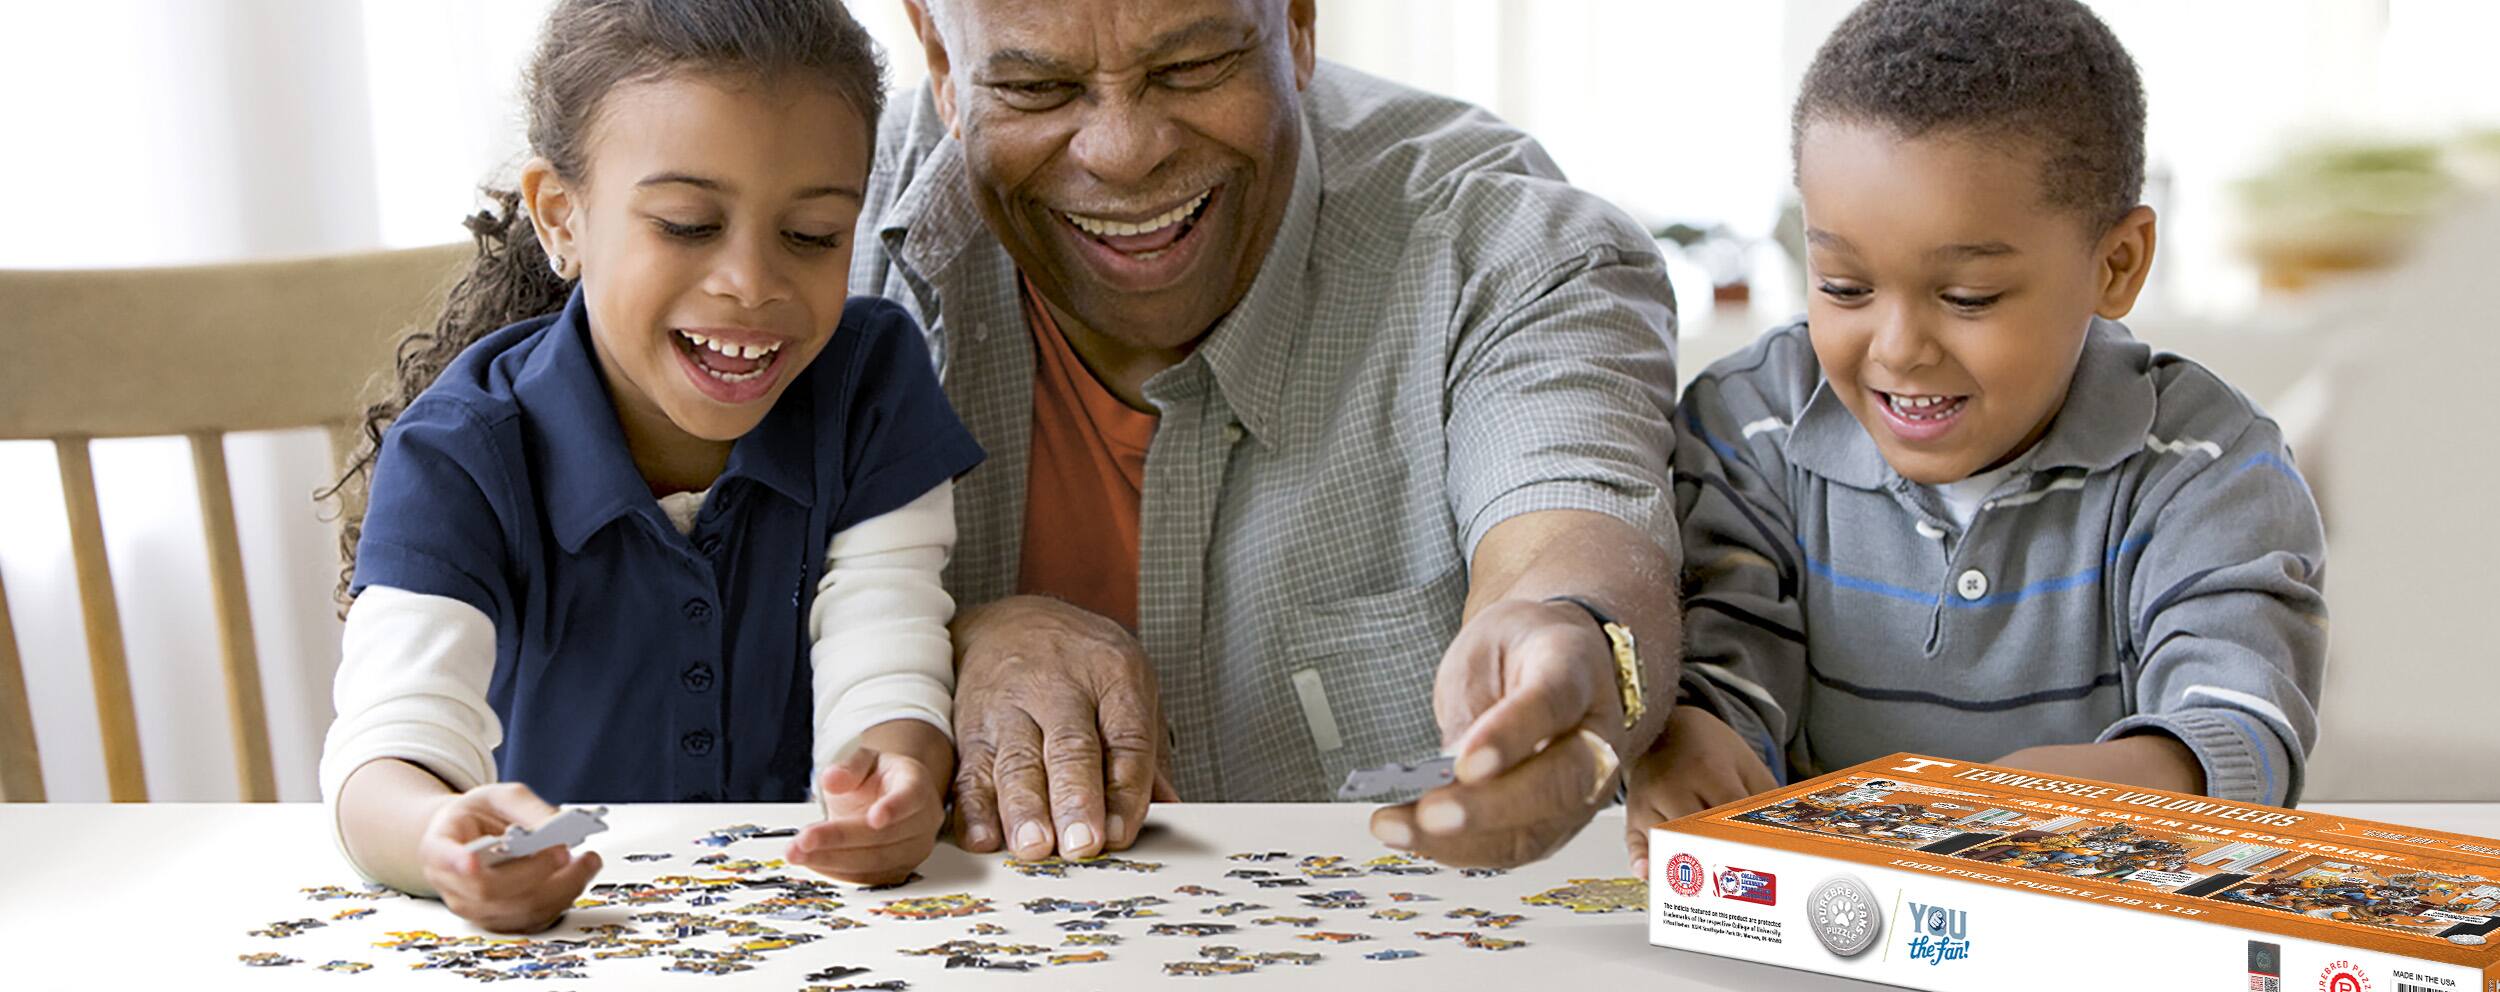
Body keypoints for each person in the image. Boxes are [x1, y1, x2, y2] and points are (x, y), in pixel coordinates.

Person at [857, 0, 1682, 869]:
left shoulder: (1503, 244)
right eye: (1035, 86)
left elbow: (1570, 537)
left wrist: (1576, 645)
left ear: (1295, 22)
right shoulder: (797, 225)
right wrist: (936, 643)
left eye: (1191, 67)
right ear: (941, 61)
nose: (1124, 151)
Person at [316, 0, 983, 932]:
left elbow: (886, 651)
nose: (751, 282)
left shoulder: (871, 385)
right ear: (561, 216)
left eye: (814, 235)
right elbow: (386, 750)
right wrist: (438, 836)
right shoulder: (460, 452)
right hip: (565, 940)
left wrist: (894, 778)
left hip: (814, 930)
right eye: (684, 223)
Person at [1625, 0, 2328, 875]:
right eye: (1844, 286)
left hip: (2087, 922)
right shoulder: (1749, 424)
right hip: (1819, 923)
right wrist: (1689, 733)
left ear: (2116, 265)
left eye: (1967, 299)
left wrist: (2140, 779)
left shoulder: (2207, 464)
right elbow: (1726, 645)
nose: (1897, 348)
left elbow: (2239, 708)